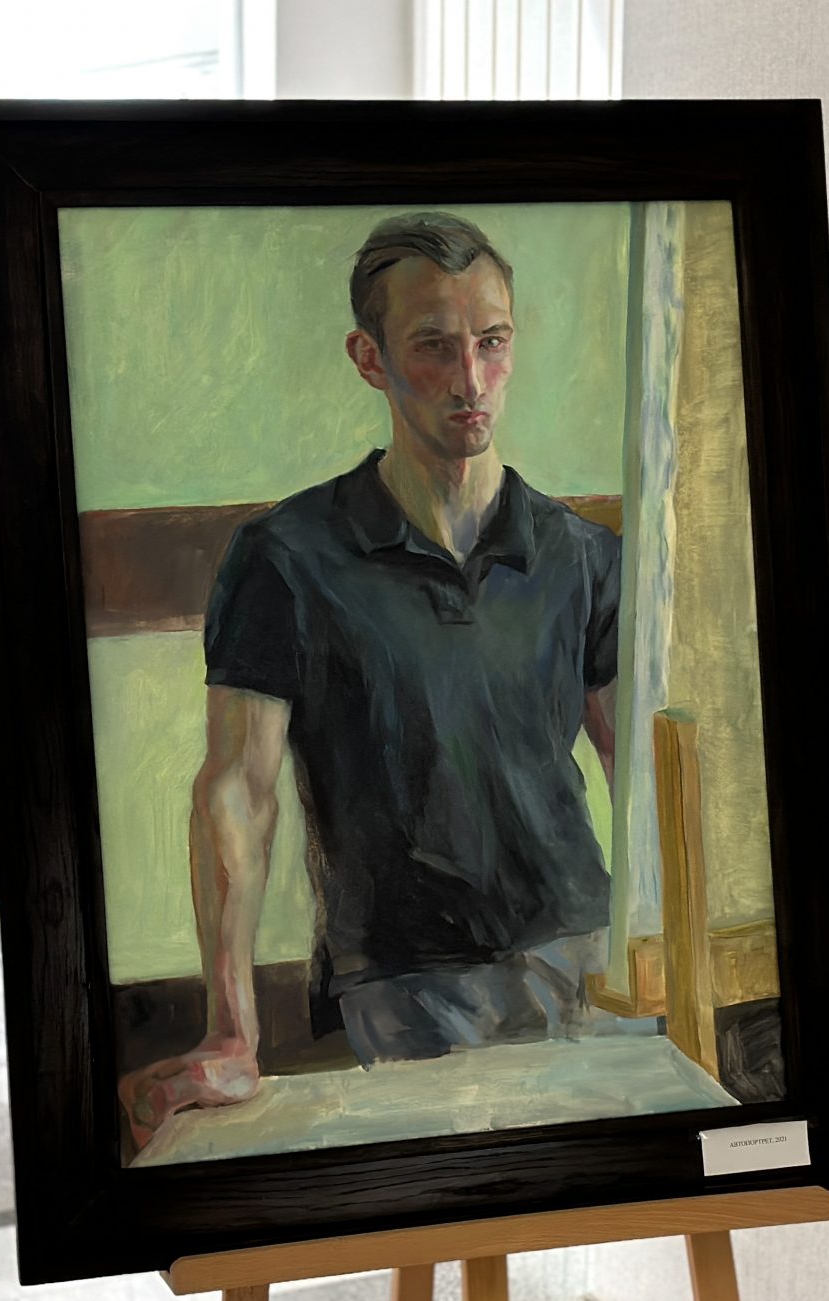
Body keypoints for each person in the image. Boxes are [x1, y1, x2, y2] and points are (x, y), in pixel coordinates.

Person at [120, 212, 622, 1146]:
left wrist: (662, 946)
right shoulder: (287, 557)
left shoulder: (581, 555)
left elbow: (641, 772)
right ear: (369, 358)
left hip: (589, 953)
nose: (471, 380)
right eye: (434, 347)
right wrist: (232, 1032)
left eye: (492, 342)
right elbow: (236, 791)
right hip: (406, 980)